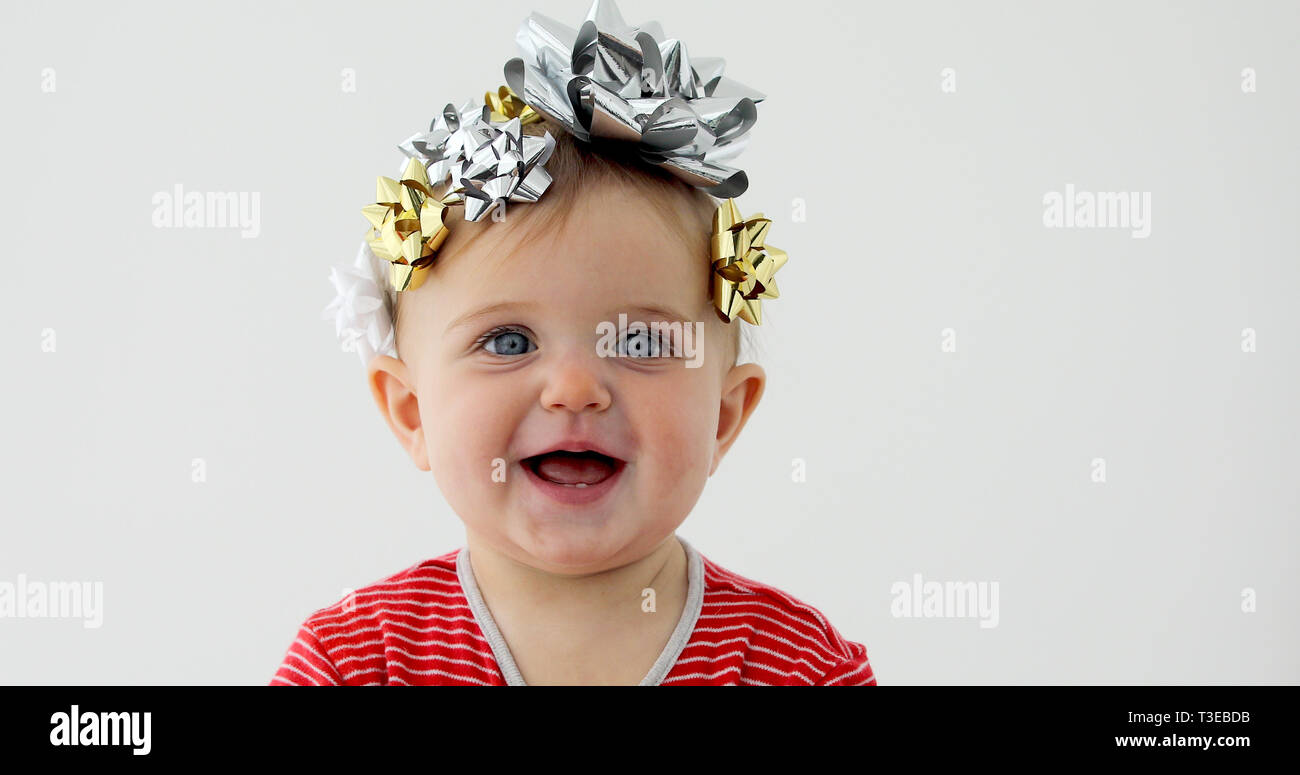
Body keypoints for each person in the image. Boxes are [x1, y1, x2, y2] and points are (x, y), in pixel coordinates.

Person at [275, 0, 875, 686]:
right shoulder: (355, 661)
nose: (575, 388)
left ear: (724, 415)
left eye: (644, 340)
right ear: (411, 411)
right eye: (506, 340)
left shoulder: (800, 665)